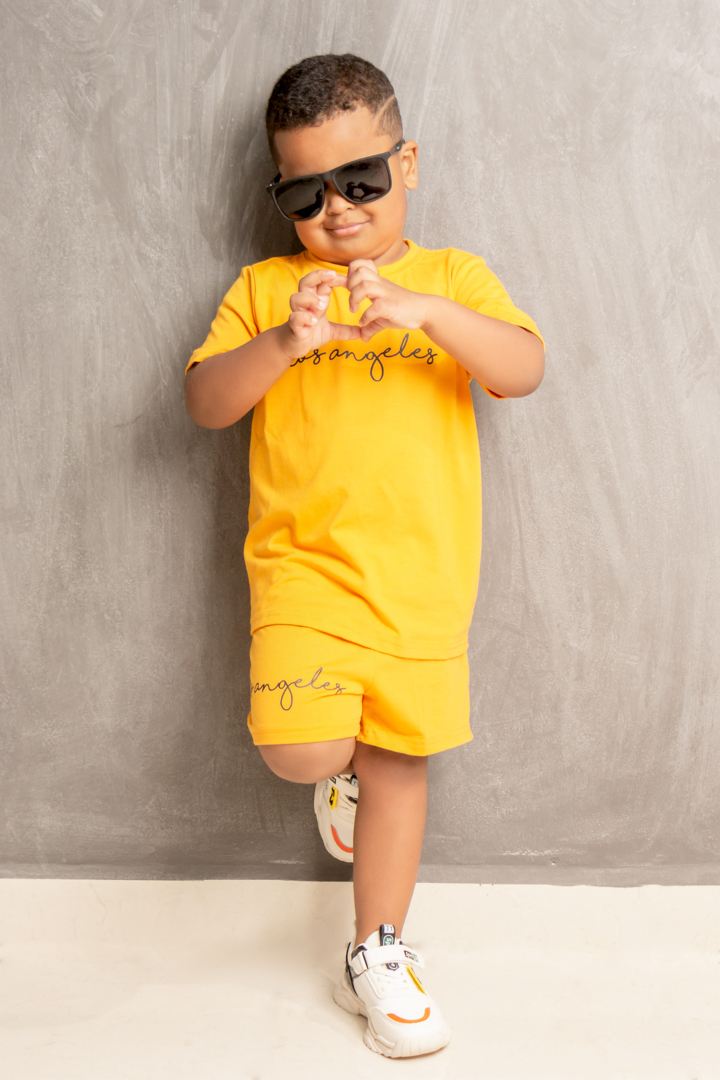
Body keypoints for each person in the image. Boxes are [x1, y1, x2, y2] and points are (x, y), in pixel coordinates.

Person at [184, 53, 544, 1059]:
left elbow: (523, 367)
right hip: (303, 572)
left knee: (400, 764)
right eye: (305, 192)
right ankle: (333, 777)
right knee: (302, 748)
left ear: (407, 163)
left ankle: (376, 951)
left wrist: (429, 314)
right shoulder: (268, 289)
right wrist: (282, 347)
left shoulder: (451, 278)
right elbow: (205, 402)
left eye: (360, 180)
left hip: (422, 582)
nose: (336, 209)